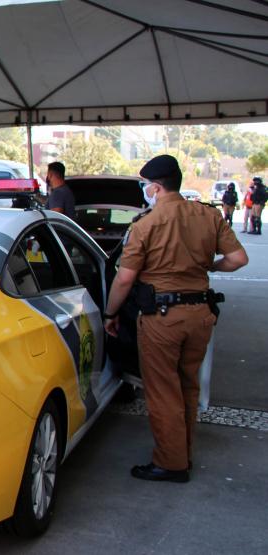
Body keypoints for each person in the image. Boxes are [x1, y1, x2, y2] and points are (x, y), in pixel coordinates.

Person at [103, 154, 248, 483]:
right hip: (201, 315)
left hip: (162, 319)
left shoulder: (146, 224)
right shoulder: (208, 216)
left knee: (162, 391)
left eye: (145, 187)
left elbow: (124, 279)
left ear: (155, 188)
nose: (145, 192)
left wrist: (111, 313)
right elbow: (238, 258)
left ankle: (171, 464)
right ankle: (184, 452)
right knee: (187, 386)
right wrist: (210, 266)